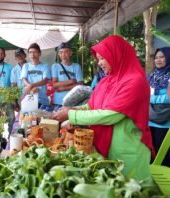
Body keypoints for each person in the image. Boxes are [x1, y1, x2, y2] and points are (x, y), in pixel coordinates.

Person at [52, 35, 154, 180]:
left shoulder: (135, 81)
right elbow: (92, 106)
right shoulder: (106, 80)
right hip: (106, 149)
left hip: (128, 152)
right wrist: (72, 111)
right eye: (98, 58)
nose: (99, 63)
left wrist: (72, 115)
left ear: (116, 54)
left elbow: (111, 114)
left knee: (131, 191)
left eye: (102, 58)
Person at [147, 47, 170, 166]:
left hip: (165, 121)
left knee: (165, 155)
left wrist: (151, 98)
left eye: (162, 57)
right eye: (156, 57)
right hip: (150, 120)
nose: (158, 60)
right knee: (152, 152)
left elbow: (168, 98)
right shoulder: (151, 76)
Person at [51, 42, 83, 111]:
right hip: (59, 101)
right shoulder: (55, 66)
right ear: (59, 54)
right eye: (61, 52)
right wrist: (70, 81)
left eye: (66, 52)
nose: (63, 55)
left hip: (73, 101)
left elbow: (80, 84)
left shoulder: (76, 66)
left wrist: (63, 88)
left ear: (70, 53)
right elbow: (54, 84)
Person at [21, 43, 51, 108]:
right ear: (28, 54)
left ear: (39, 53)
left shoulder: (45, 66)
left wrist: (31, 85)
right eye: (30, 52)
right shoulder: (25, 66)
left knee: (42, 117)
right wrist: (31, 87)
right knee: (29, 117)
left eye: (35, 52)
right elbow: (24, 79)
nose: (32, 54)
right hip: (29, 98)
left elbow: (45, 80)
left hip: (42, 99)